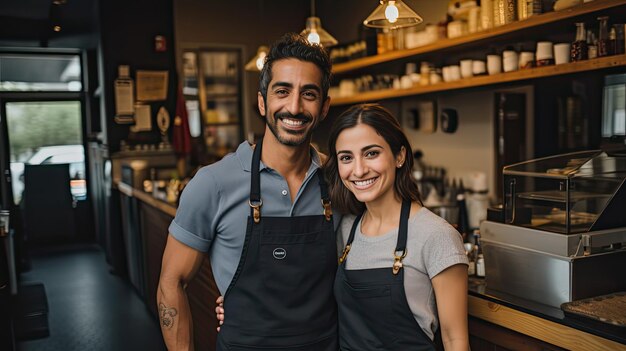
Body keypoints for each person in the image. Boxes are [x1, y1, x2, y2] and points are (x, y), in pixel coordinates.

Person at [157, 33, 340, 351]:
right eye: (282, 91)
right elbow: (172, 283)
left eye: (308, 94)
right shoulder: (212, 183)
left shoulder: (340, 180)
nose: (294, 107)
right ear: (262, 101)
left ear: (324, 107)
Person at [326, 103, 469, 351]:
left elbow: (455, 340)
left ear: (400, 156)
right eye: (346, 158)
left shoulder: (436, 236)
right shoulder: (346, 229)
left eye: (371, 153)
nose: (358, 170)